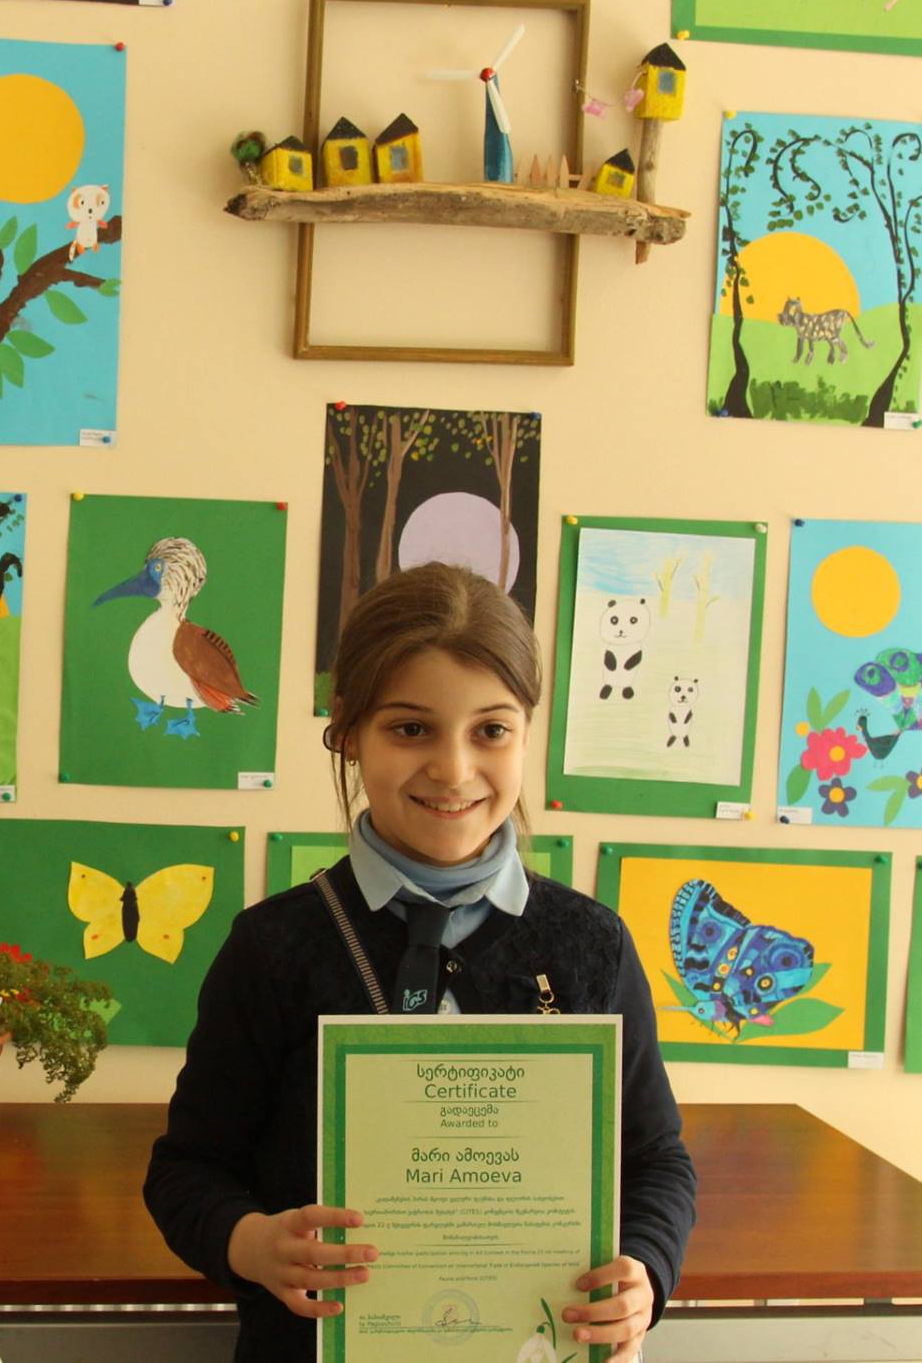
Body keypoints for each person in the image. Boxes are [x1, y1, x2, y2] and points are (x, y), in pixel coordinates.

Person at [143, 562, 697, 1362]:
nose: (453, 768)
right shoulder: (273, 947)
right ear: (348, 732)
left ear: (526, 734)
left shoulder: (592, 944)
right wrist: (252, 1242)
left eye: (490, 730)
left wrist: (646, 1269)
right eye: (411, 729)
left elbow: (656, 1161)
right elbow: (187, 1170)